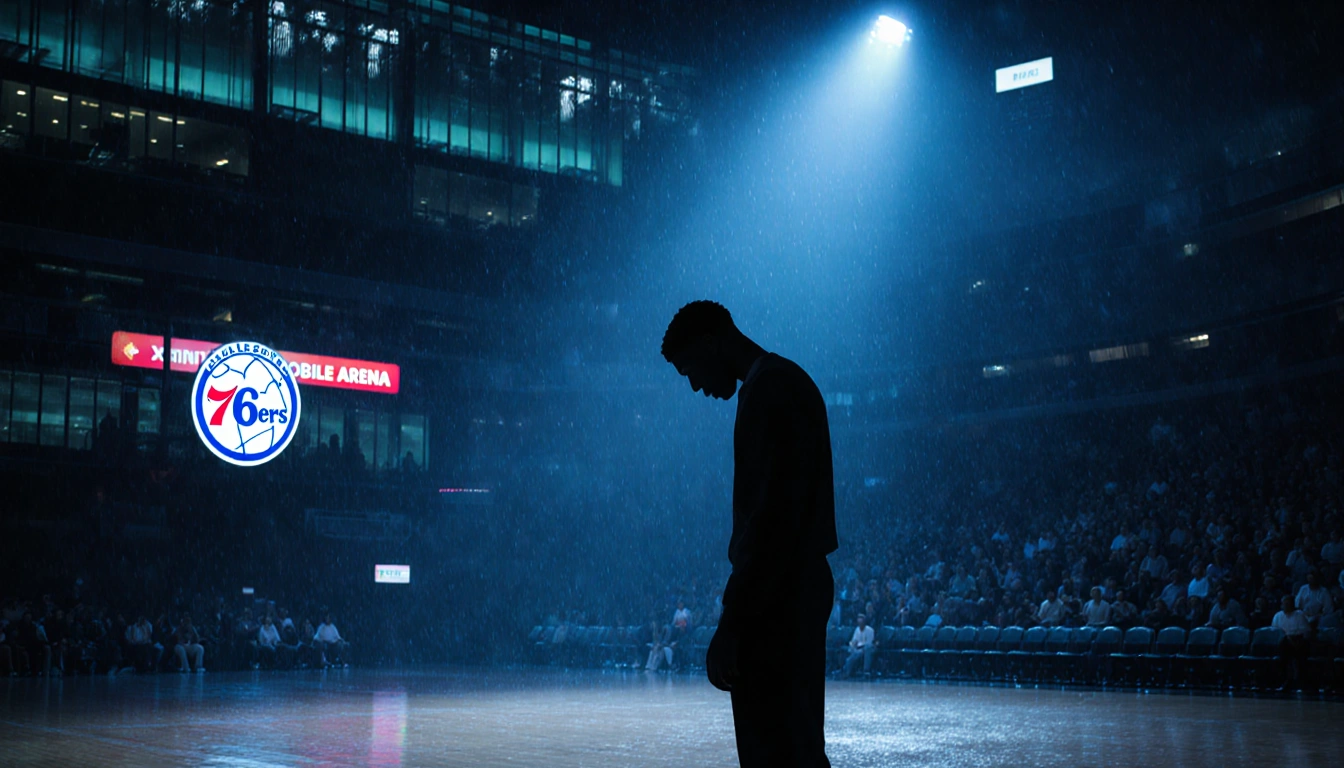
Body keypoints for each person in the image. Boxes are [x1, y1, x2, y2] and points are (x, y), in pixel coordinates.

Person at [663, 300, 837, 768]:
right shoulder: (788, 382)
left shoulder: (766, 392)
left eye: (691, 370)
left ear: (710, 343)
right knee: (798, 744)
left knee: (771, 749)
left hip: (777, 593)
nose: (697, 386)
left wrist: (733, 621)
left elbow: (769, 521)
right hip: (795, 584)